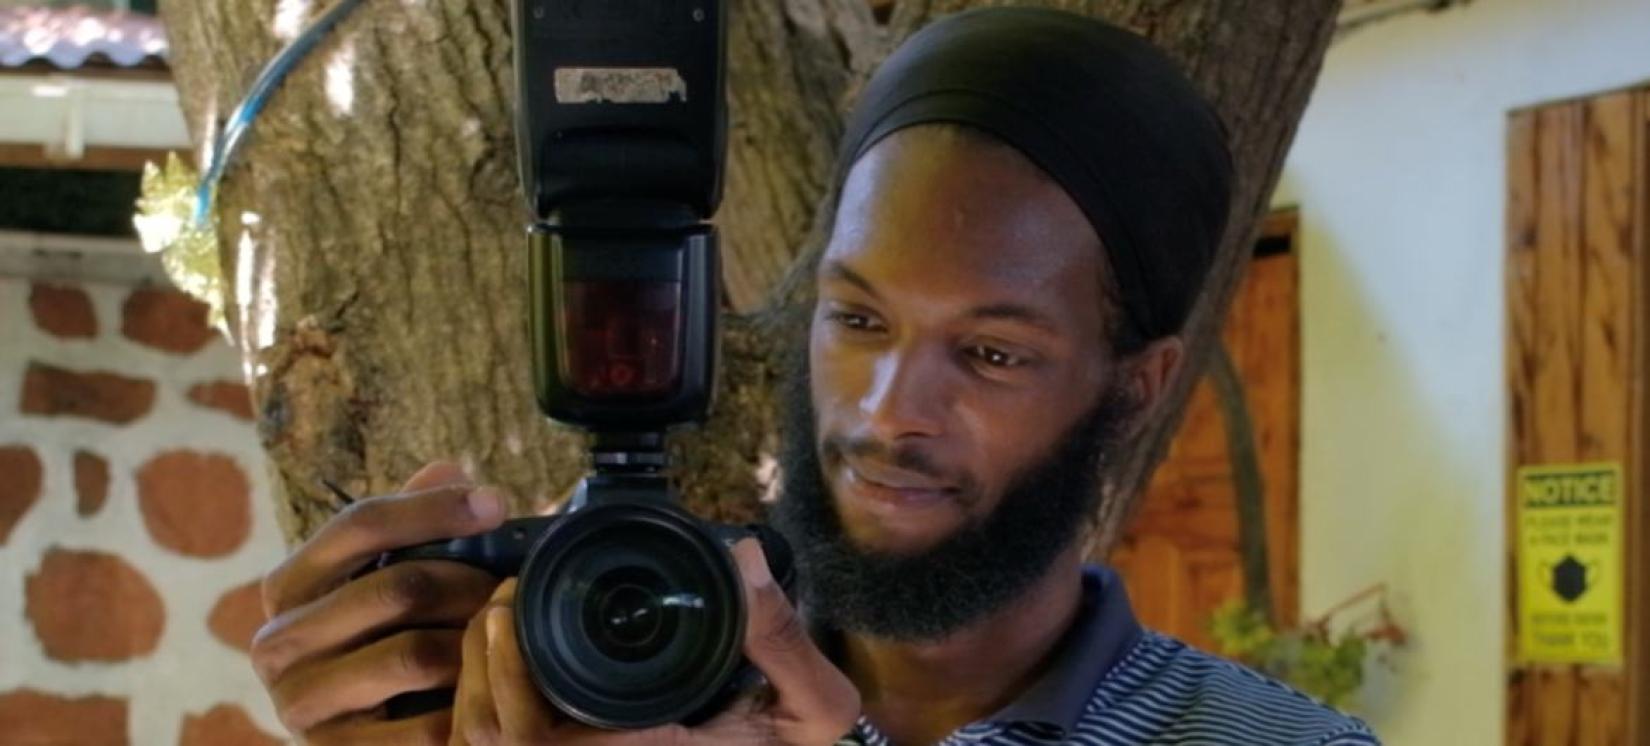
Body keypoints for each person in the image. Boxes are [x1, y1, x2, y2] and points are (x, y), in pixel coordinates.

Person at [249, 7, 1379, 745]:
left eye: (989, 352)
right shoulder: (570, 684)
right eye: (857, 316)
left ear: (1135, 383)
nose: (888, 409)